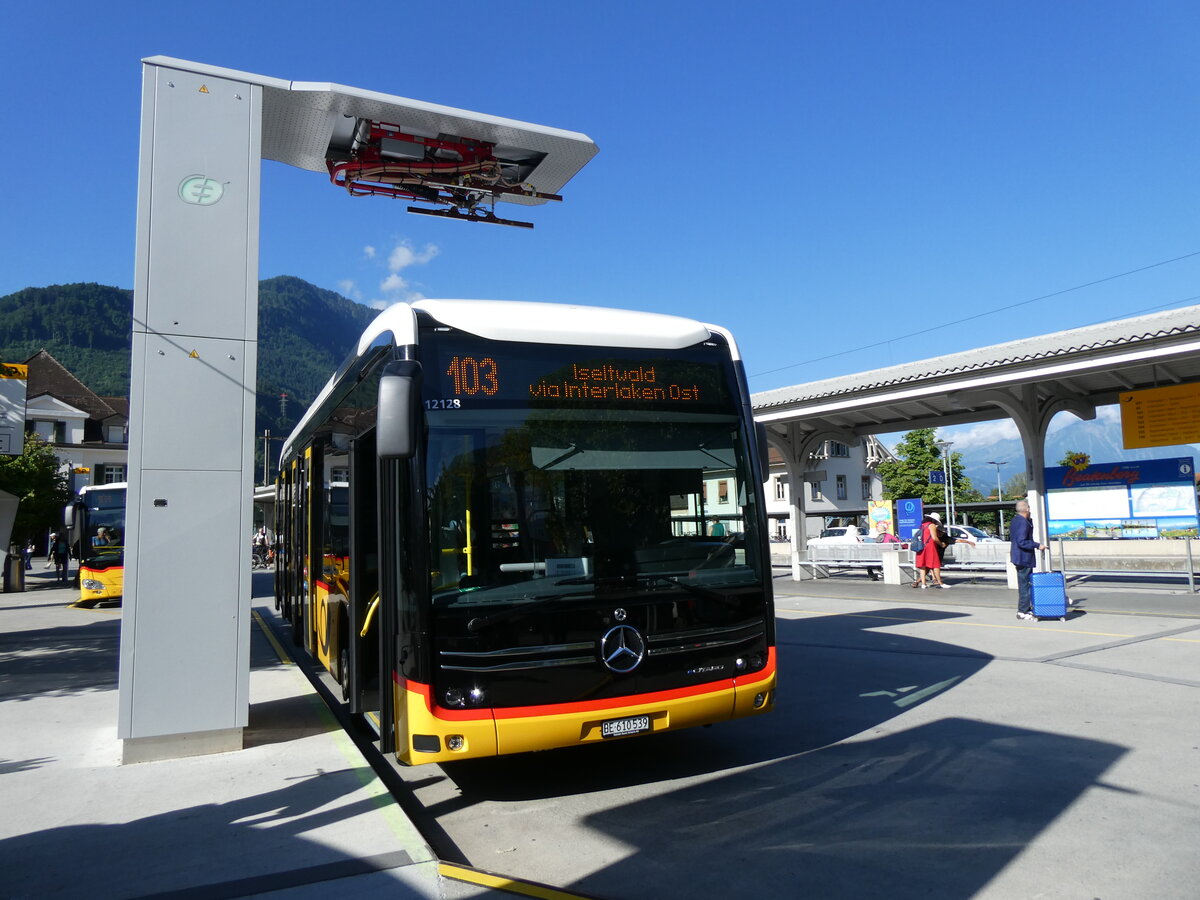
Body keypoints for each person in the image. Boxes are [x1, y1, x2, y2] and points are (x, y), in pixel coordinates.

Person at [1010, 499, 1045, 620]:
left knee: (1024, 584)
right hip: (1023, 557)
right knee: (1025, 585)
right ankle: (1022, 611)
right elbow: (1022, 541)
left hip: (1018, 557)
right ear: (1027, 509)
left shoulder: (1016, 520)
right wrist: (1037, 545)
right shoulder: (1023, 523)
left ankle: (1025, 609)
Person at [911, 512, 945, 589]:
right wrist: (941, 544)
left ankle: (923, 584)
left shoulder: (923, 525)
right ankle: (940, 583)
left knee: (922, 566)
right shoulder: (931, 525)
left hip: (921, 547)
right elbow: (934, 538)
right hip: (929, 547)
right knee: (936, 564)